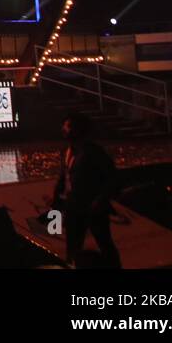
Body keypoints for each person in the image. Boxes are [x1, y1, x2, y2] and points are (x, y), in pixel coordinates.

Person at [51, 112, 121, 267]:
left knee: (104, 243)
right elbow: (65, 176)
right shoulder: (67, 151)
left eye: (67, 126)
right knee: (73, 246)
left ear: (78, 129)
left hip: (92, 207)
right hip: (73, 207)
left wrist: (100, 200)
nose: (63, 129)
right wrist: (56, 197)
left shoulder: (94, 152)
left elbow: (112, 178)